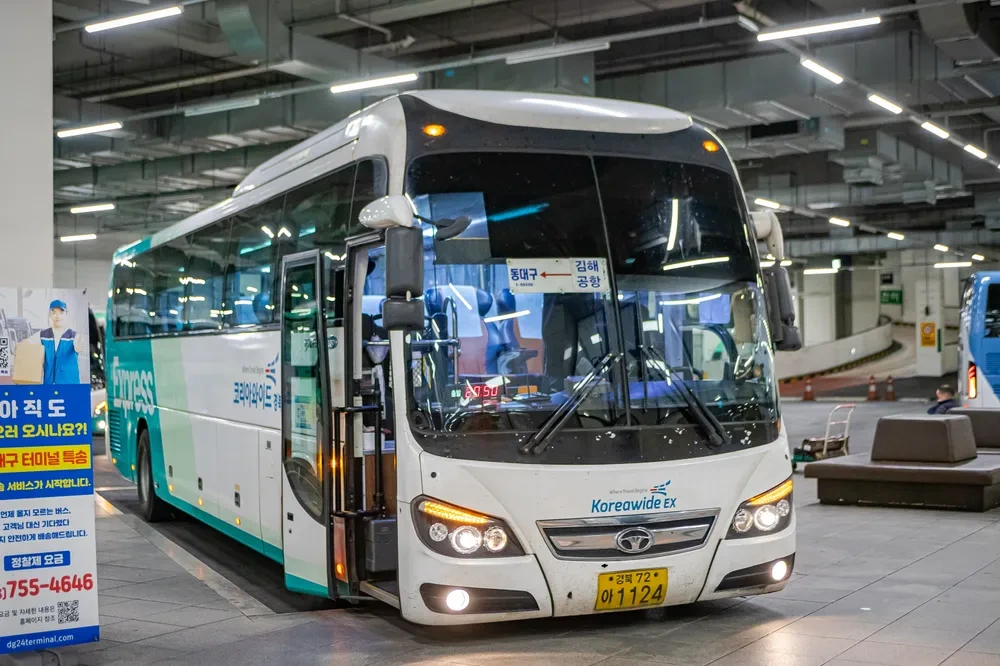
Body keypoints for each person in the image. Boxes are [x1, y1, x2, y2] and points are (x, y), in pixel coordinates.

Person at [36, 300, 83, 384]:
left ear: (66, 314)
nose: (58, 316)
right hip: (49, 385)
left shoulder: (74, 336)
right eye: (54, 312)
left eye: (61, 312)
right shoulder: (43, 335)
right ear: (50, 315)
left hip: (69, 386)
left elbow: (79, 347)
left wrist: (78, 345)